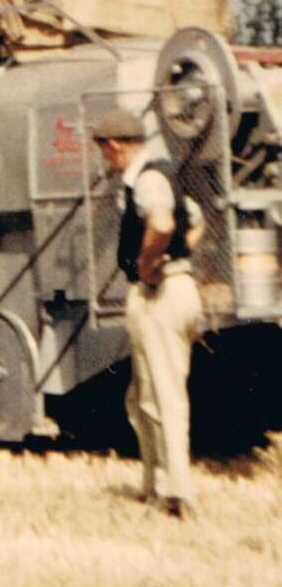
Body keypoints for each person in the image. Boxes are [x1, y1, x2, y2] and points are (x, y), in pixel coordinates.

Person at [91, 106, 204, 518]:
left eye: (103, 148)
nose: (104, 156)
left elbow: (160, 223)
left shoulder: (147, 179)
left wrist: (146, 261)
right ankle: (157, 484)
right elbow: (196, 221)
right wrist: (178, 254)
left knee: (163, 395)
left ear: (116, 146)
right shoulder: (164, 173)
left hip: (160, 293)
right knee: (146, 395)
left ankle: (178, 493)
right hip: (178, 285)